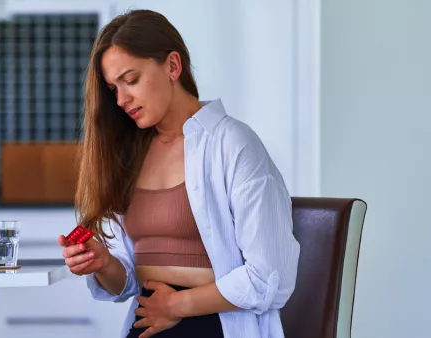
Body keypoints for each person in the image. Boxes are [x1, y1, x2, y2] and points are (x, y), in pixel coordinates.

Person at [57, 9, 300, 338]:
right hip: (148, 321)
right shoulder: (131, 155)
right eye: (114, 89)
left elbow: (270, 276)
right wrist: (103, 265)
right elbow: (127, 282)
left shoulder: (233, 144)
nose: (122, 99)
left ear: (173, 66)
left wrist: (177, 306)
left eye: (131, 80)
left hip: (213, 323)